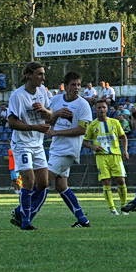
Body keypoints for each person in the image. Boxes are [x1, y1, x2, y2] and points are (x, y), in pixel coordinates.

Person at [40, 71, 92, 227]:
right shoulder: (55, 100)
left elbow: (83, 130)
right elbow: (47, 120)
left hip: (69, 150)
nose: (76, 88)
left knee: (43, 181)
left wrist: (57, 132)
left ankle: (24, 213)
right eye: (73, 85)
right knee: (61, 185)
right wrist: (56, 114)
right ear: (65, 86)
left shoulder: (83, 104)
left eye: (78, 85)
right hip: (57, 148)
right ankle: (82, 219)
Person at [7, 62, 53, 230]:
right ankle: (26, 220)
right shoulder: (17, 95)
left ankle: (20, 212)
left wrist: (45, 111)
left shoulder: (43, 92)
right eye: (39, 74)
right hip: (22, 144)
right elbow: (11, 122)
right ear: (28, 75)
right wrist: (35, 127)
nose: (43, 77)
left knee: (43, 184)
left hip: (38, 143)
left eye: (43, 74)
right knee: (29, 181)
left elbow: (51, 116)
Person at [83, 100, 129, 215]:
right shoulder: (92, 125)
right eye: (99, 108)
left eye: (103, 107)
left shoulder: (115, 122)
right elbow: (85, 142)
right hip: (101, 156)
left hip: (115, 155)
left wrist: (125, 151)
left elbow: (123, 137)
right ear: (95, 109)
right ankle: (112, 208)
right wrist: (93, 147)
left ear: (107, 109)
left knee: (121, 180)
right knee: (106, 181)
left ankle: (124, 206)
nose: (101, 110)